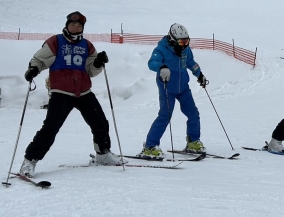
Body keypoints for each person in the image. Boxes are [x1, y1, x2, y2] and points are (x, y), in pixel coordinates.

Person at [19, 11, 123, 178]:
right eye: (73, 24)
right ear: (67, 25)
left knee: (100, 123)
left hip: (83, 92)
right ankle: (29, 160)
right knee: (50, 128)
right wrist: (33, 69)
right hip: (61, 92)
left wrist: (98, 62)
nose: (76, 27)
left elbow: (91, 71)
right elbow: (40, 59)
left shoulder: (87, 46)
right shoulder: (56, 42)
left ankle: (103, 154)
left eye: (79, 25)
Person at [142, 23, 209, 157]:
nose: (184, 44)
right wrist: (162, 67)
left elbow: (191, 62)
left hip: (183, 87)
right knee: (165, 116)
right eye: (181, 41)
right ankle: (150, 146)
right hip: (167, 88)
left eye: (186, 41)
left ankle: (193, 141)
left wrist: (199, 74)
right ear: (173, 40)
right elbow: (152, 63)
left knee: (193, 114)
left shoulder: (186, 50)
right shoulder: (161, 49)